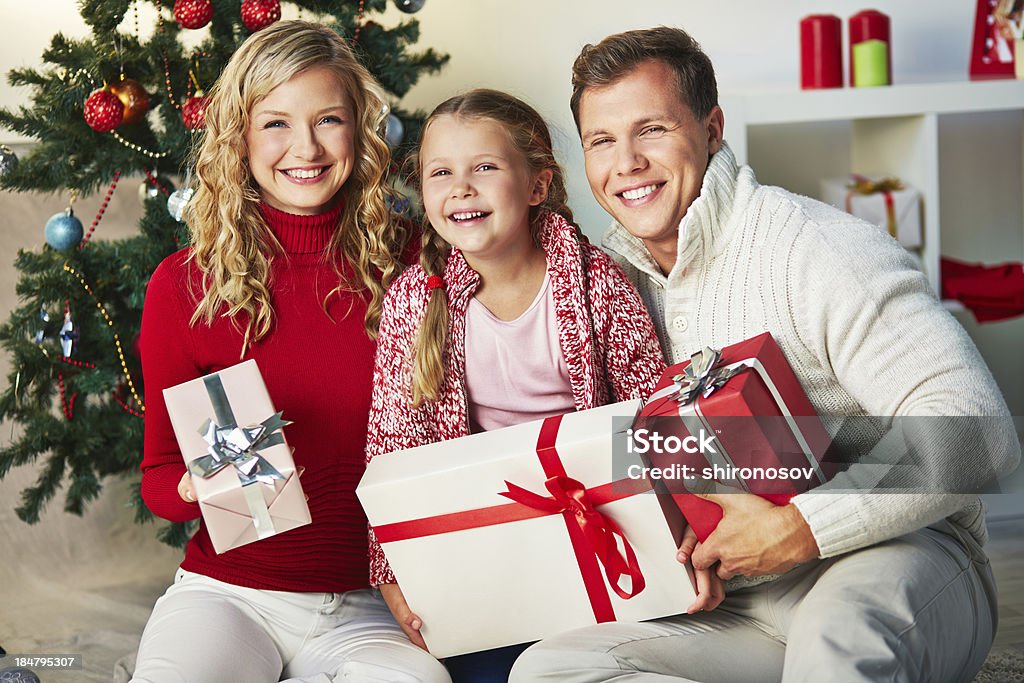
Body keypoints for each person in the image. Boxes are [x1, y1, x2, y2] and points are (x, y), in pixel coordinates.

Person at [510, 26, 1021, 682]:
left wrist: (804, 526)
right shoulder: (601, 283)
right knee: (551, 668)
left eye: (653, 130)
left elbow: (978, 431)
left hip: (888, 560)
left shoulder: (818, 249)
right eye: (602, 141)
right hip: (735, 603)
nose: (627, 162)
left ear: (712, 127)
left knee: (836, 647)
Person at [134, 20, 450, 683]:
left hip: (374, 604)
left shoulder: (417, 259)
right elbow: (159, 477)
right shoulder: (184, 283)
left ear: (359, 130)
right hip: (231, 592)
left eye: (327, 119)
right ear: (239, 137)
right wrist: (198, 483)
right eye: (275, 122)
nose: (304, 147)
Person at [364, 89, 667, 681]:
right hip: (484, 545)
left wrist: (680, 538)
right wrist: (393, 575)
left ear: (537, 186)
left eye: (485, 168)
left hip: (596, 535)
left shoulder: (596, 281)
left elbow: (653, 415)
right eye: (440, 173)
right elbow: (391, 451)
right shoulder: (415, 301)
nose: (461, 188)